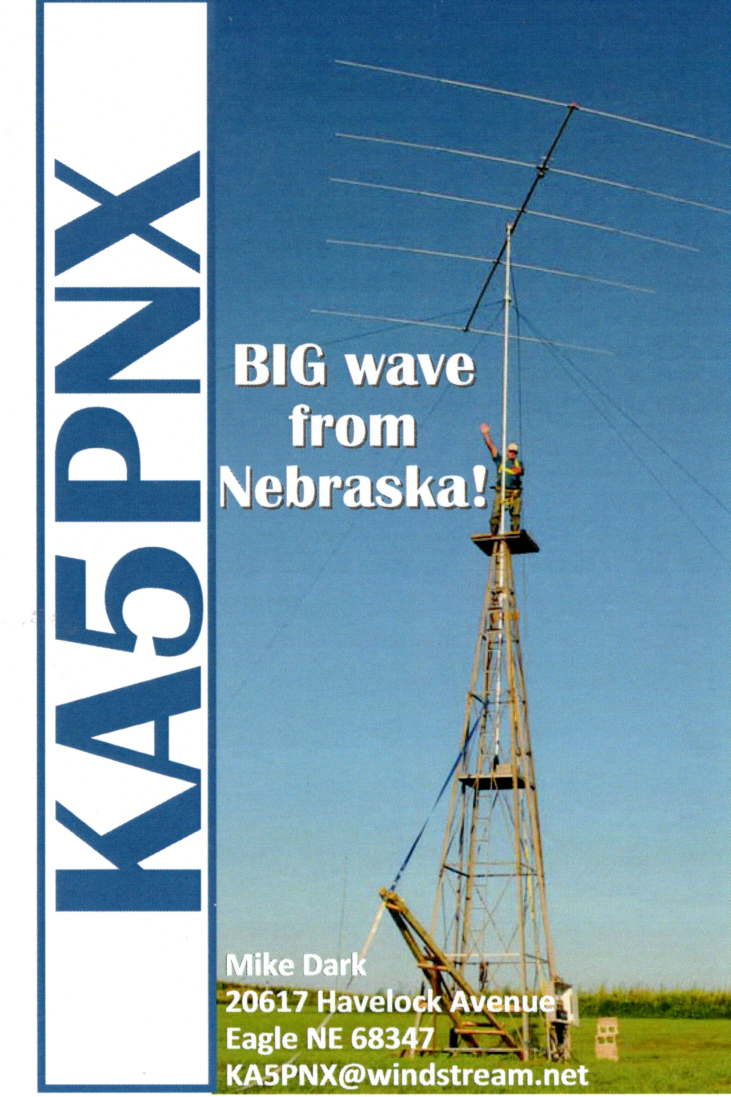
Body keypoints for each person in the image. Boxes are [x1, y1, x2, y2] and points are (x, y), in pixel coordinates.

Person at [480, 424, 523, 535]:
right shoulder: (501, 461)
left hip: (514, 492)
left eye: (514, 452)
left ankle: (514, 531)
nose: (512, 453)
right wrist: (486, 434)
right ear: (508, 451)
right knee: (496, 512)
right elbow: (492, 448)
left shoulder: (518, 463)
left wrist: (519, 471)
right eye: (511, 451)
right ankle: (494, 531)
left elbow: (521, 470)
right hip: (501, 490)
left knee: (515, 514)